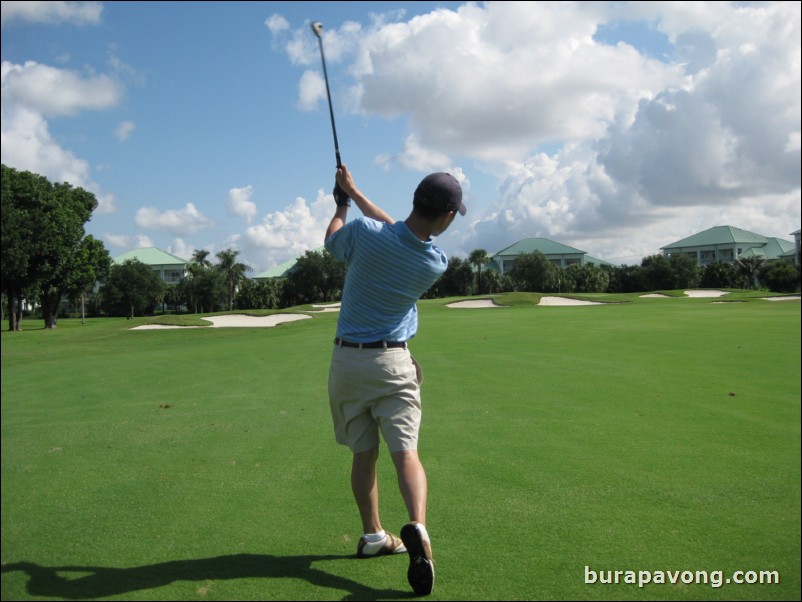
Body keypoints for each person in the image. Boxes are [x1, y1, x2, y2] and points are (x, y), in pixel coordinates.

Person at [324, 164, 466, 596]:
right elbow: (401, 233)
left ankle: (372, 536)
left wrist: (344, 202)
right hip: (394, 364)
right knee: (406, 456)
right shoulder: (434, 262)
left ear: (415, 200)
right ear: (445, 217)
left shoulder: (364, 234)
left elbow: (332, 241)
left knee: (363, 456)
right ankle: (418, 528)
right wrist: (357, 191)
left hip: (348, 363)